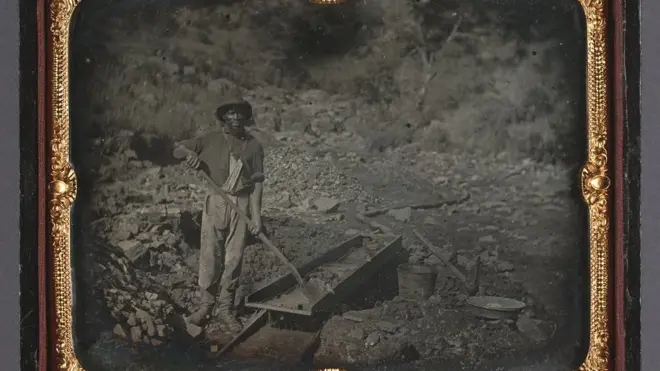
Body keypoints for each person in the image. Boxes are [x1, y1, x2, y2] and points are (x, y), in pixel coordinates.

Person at [172, 96, 265, 334]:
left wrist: (256, 218)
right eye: (230, 112)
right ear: (223, 116)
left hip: (241, 205)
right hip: (215, 201)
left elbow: (257, 185)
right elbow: (176, 149)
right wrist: (189, 155)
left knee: (233, 260)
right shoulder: (210, 139)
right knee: (210, 256)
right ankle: (205, 306)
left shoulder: (254, 146)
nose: (234, 117)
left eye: (239, 113)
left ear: (246, 116)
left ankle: (226, 310)